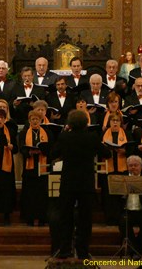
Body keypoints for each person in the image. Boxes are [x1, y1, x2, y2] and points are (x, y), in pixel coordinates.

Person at [50, 110, 108, 259]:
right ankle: (82, 250)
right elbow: (107, 153)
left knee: (65, 216)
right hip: (86, 183)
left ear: (70, 123)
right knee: (85, 218)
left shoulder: (65, 137)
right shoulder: (92, 138)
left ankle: (65, 249)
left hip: (68, 182)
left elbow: (53, 153)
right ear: (85, 123)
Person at [118, 156, 142, 258]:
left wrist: (141, 183)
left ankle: (136, 250)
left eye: (135, 165)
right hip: (127, 210)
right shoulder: (123, 176)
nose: (133, 167)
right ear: (127, 167)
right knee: (123, 223)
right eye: (130, 165)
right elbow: (116, 194)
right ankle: (135, 250)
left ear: (141, 166)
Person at [18, 110, 49, 226]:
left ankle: (42, 218)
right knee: (29, 194)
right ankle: (29, 218)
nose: (35, 121)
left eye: (37, 119)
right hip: (29, 168)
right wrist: (29, 152)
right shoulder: (24, 133)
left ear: (41, 120)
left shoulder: (46, 132)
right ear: (29, 120)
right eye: (32, 119)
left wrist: (42, 150)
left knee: (41, 194)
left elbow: (50, 148)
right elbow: (21, 147)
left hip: (42, 167)